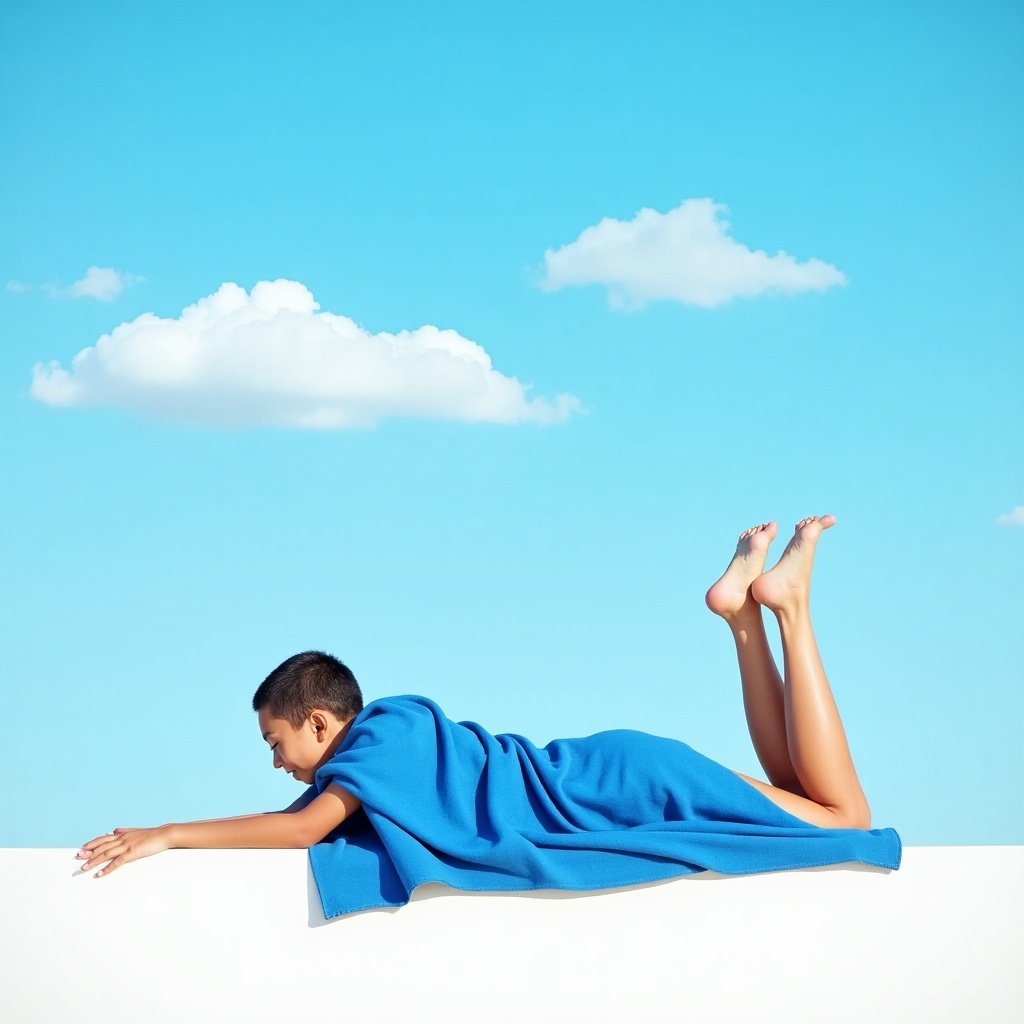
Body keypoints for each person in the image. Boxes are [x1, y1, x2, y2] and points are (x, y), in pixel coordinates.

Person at [77, 515, 883, 886]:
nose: (277, 761)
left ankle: (789, 609)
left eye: (276, 741)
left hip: (623, 782)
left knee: (846, 819)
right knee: (799, 797)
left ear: (322, 721)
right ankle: (745, 615)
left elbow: (303, 831)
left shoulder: (377, 744)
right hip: (615, 771)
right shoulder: (389, 741)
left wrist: (170, 834)